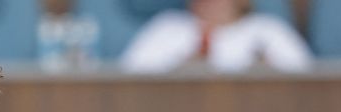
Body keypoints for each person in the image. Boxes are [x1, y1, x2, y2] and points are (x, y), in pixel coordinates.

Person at [120, 0, 313, 74]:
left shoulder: (269, 30)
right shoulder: (167, 27)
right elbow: (128, 81)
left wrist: (266, 72)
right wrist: (181, 71)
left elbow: (309, 82)